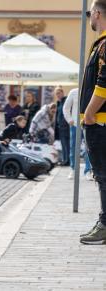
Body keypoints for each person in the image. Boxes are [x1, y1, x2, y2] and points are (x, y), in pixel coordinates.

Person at [79, 0, 106, 244]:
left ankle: (105, 225)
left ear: (97, 13)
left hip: (100, 122)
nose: (89, 17)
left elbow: (104, 83)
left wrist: (88, 114)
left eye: (90, 13)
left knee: (103, 174)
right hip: (99, 121)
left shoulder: (105, 44)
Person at [63, 88, 93, 180]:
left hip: (88, 124)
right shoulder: (73, 92)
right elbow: (66, 107)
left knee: (88, 148)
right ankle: (73, 169)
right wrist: (69, 120)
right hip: (75, 124)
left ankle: (88, 171)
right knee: (73, 147)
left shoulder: (91, 90)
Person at [54, 86, 70, 166]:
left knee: (67, 145)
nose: (57, 95)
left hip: (66, 126)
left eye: (59, 93)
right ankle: (65, 160)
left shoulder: (65, 100)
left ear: (62, 93)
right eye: (56, 94)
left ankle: (67, 160)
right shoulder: (58, 103)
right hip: (60, 127)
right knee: (63, 145)